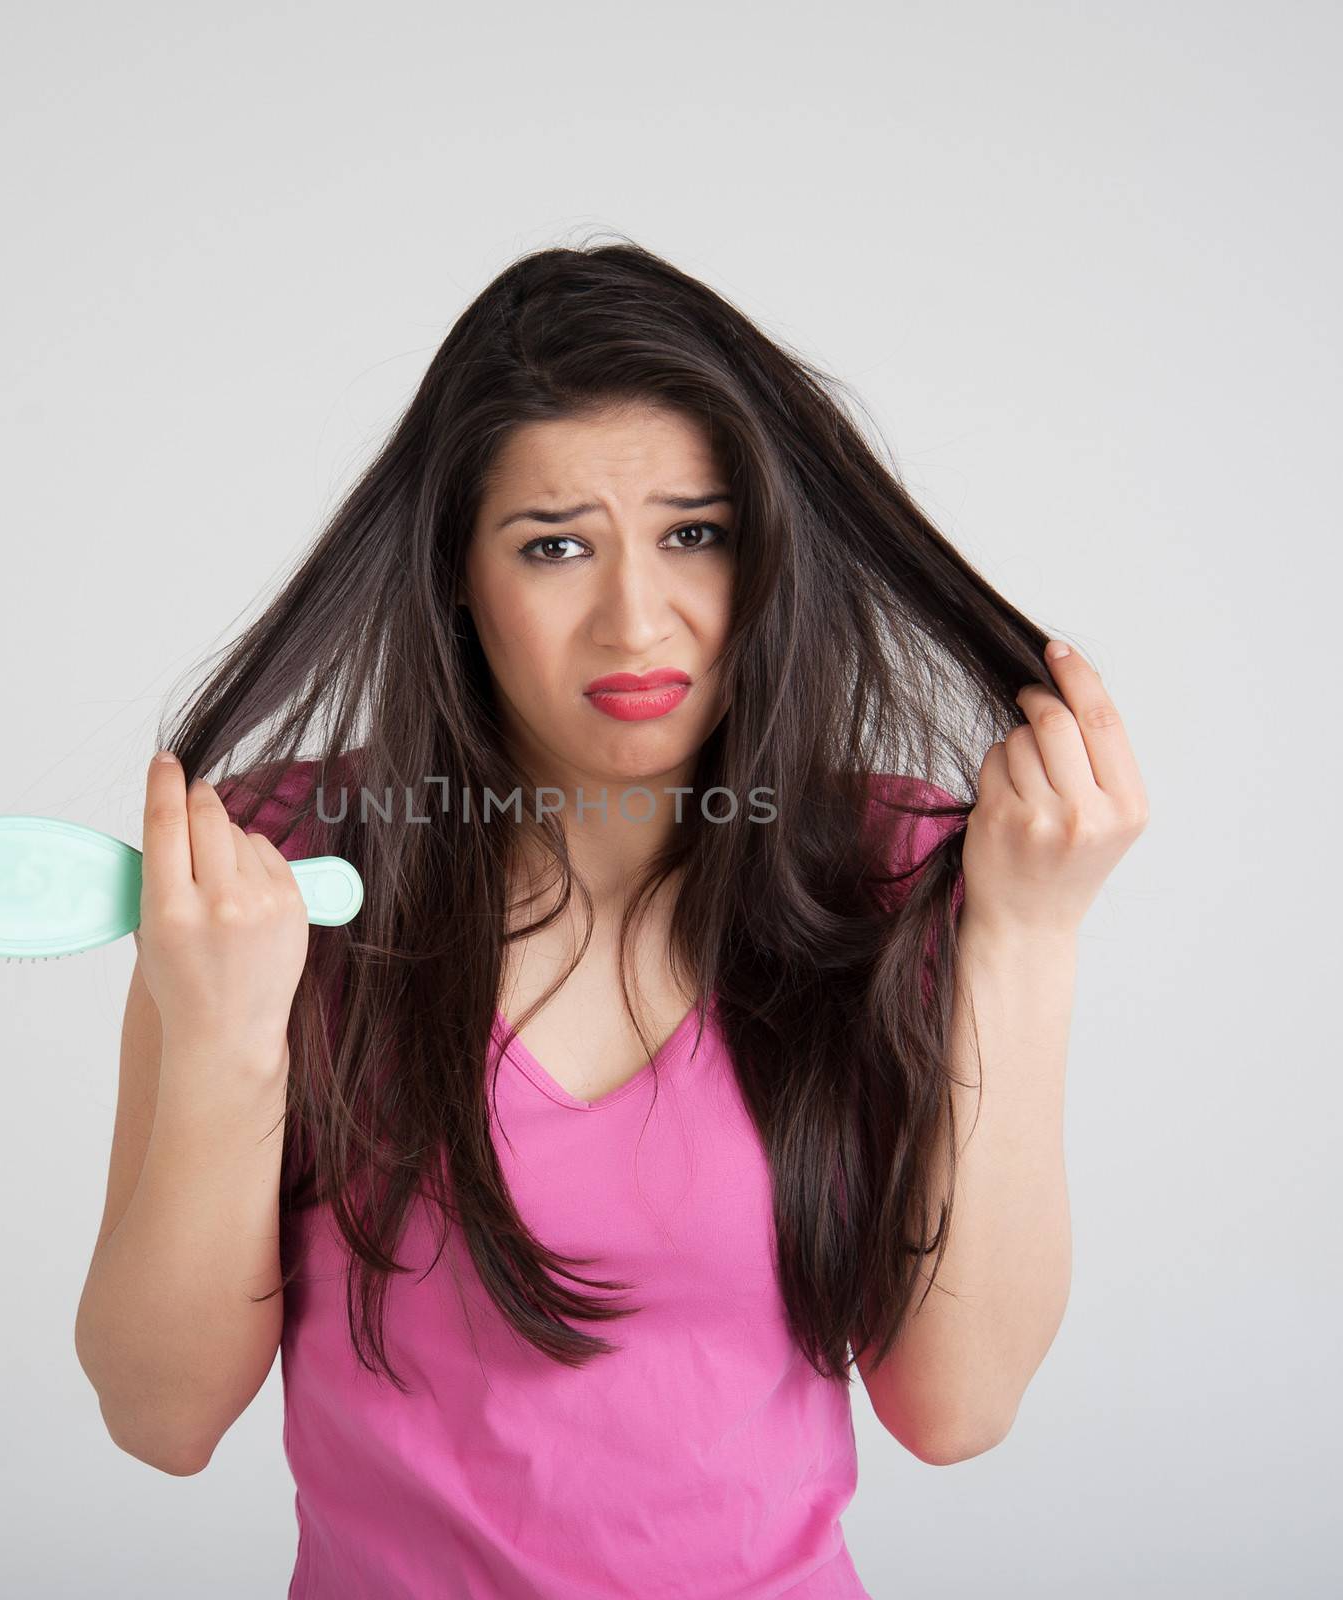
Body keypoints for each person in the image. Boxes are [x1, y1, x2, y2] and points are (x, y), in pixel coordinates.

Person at [74, 240, 1148, 1598]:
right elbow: (158, 1417)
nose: (638, 620)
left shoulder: (899, 869)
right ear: (458, 577)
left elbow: (960, 1406)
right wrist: (231, 1036)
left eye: (696, 535)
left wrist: (1028, 938)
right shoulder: (272, 870)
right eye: (556, 546)